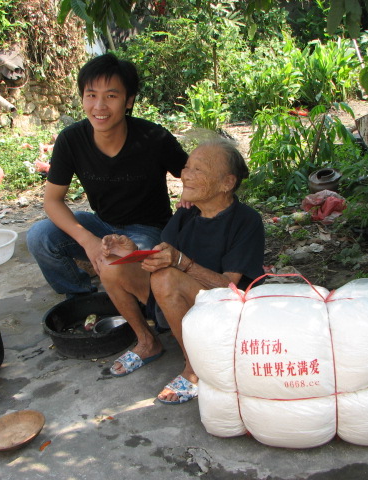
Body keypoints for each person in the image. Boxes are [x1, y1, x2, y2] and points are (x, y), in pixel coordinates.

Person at [97, 138, 265, 404]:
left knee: (166, 278)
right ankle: (147, 342)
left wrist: (182, 263)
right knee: (109, 265)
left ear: (227, 183)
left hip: (223, 311)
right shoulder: (188, 213)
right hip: (177, 298)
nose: (186, 175)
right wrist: (131, 252)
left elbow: (229, 289)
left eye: (199, 169)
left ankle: (194, 367)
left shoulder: (246, 221)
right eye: (187, 167)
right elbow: (162, 259)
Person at [26, 53, 188, 297]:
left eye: (111, 96)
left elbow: (193, 173)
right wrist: (88, 240)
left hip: (147, 231)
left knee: (121, 262)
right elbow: (52, 201)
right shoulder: (71, 140)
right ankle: (81, 298)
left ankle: (135, 300)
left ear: (128, 101)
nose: (99, 106)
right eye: (91, 95)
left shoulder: (153, 138)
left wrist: (188, 195)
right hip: (101, 224)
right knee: (40, 236)